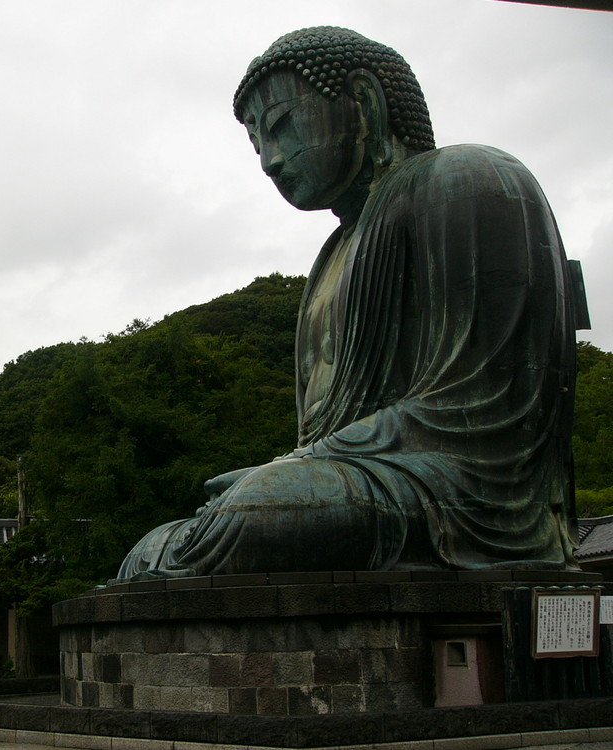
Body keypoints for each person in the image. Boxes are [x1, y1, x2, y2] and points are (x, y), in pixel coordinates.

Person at [116, 26, 583, 579]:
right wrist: (299, 466)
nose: (269, 160)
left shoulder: (470, 181)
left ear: (362, 102)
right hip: (363, 480)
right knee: (158, 543)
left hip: (463, 492)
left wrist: (301, 467)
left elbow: (483, 411)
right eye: (257, 143)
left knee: (256, 511)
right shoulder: (332, 256)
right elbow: (321, 438)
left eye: (283, 126)